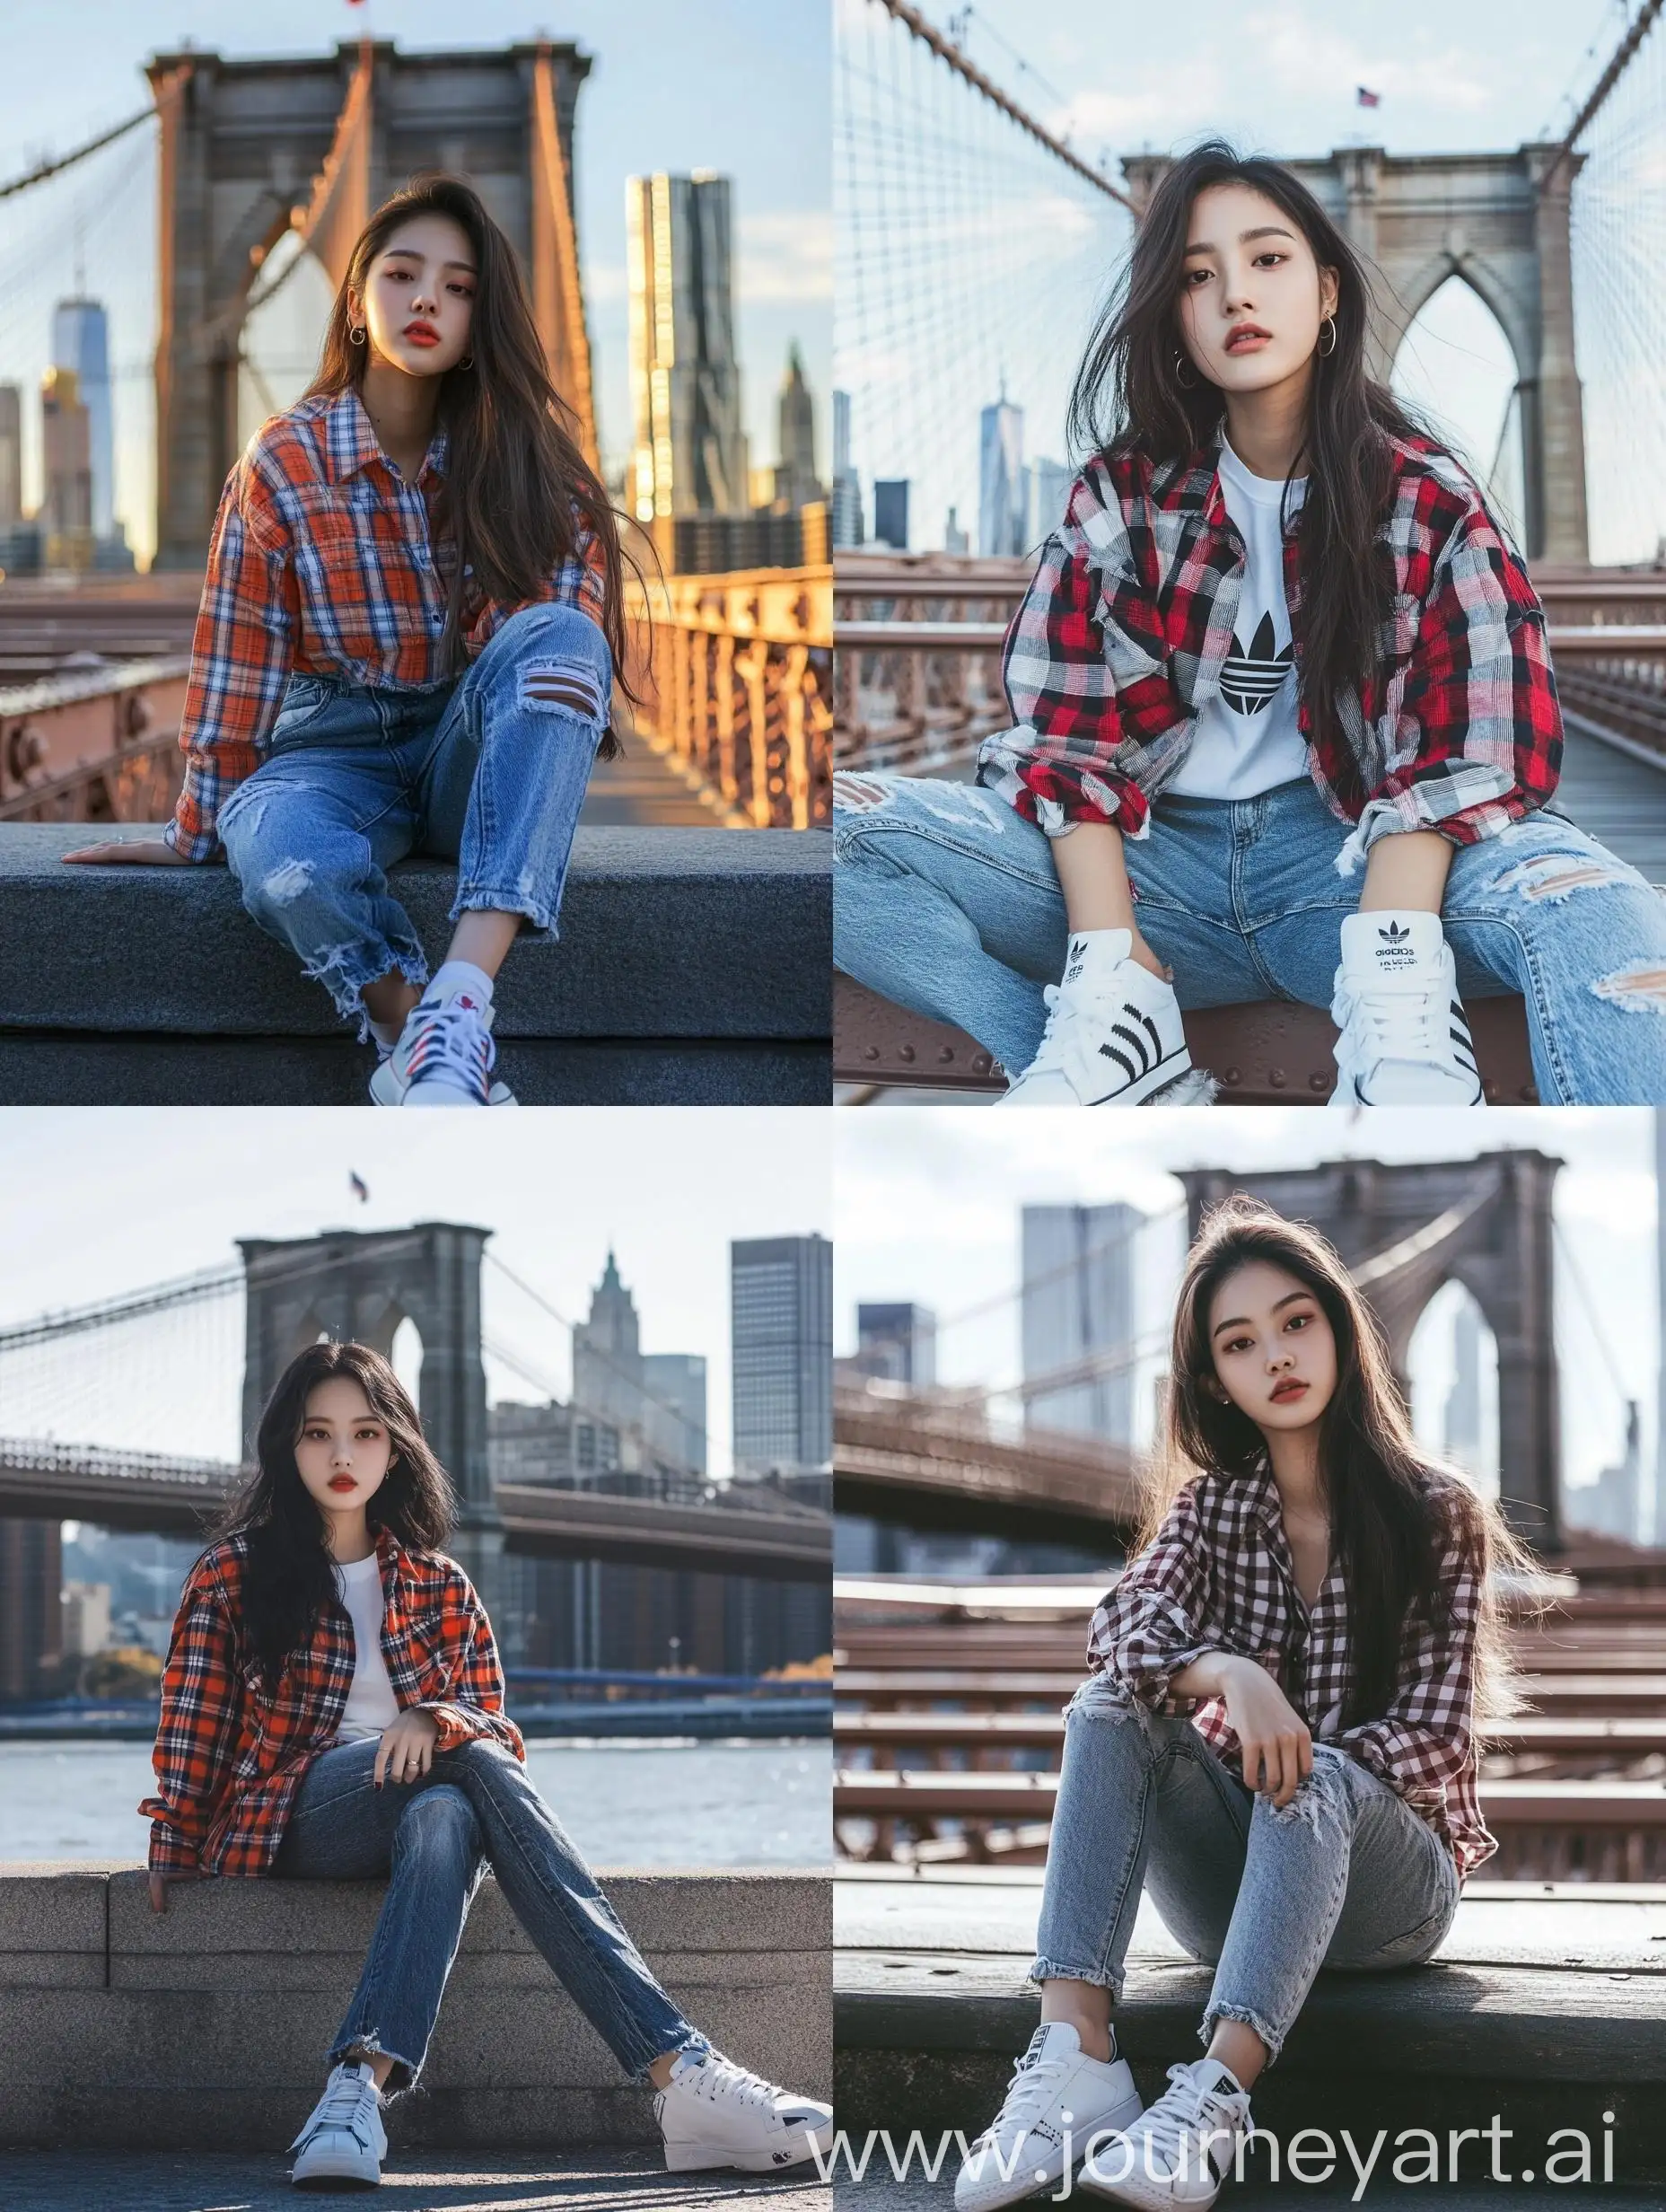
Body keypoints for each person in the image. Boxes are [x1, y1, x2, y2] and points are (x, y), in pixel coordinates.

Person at [833, 142, 1666, 1106]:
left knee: (1602, 912)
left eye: (1266, 260)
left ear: (1326, 294)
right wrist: (1109, 959)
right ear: (1172, 317)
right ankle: (1101, 1061)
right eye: (1197, 275)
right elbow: (1065, 743)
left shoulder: (1430, 502)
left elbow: (1479, 747)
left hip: (1352, 865)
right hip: (1152, 872)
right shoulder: (1117, 500)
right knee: (832, 839)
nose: (1234, 294)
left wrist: (1391, 959)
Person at [955, 1197, 1541, 2211]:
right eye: (1239, 1341)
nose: (1275, 1353)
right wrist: (1227, 1670)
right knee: (1107, 1710)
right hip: (1234, 1903)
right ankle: (1076, 2056)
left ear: (1337, 1329)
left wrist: (1300, 1756)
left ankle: (1213, 2097)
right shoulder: (1209, 1508)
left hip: (1388, 1899)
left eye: (1295, 1320)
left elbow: (1437, 1736)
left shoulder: (1437, 1508)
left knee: (1310, 1777)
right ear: (1214, 1380)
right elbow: (1119, 1635)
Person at [141, 1339, 831, 2189]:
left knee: (450, 1810)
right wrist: (172, 1832)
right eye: (318, 1434)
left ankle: (356, 2090)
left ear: (396, 1446)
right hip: (289, 1814)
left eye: (364, 1433)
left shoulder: (442, 1586)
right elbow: (192, 1719)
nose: (343, 1455)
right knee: (460, 1773)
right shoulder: (231, 1574)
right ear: (288, 1447)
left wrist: (434, 1718)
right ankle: (679, 2069)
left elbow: (493, 1738)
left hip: (417, 1821)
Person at [66, 172, 638, 1108]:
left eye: (458, 288)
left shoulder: (534, 468)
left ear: (479, 320)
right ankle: (415, 1036)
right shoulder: (282, 463)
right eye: (404, 274)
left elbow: (549, 658)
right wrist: (193, 828)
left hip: (466, 749)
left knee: (568, 637)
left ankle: (462, 1001)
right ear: (358, 298)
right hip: (331, 752)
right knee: (276, 848)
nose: (427, 300)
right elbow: (236, 658)